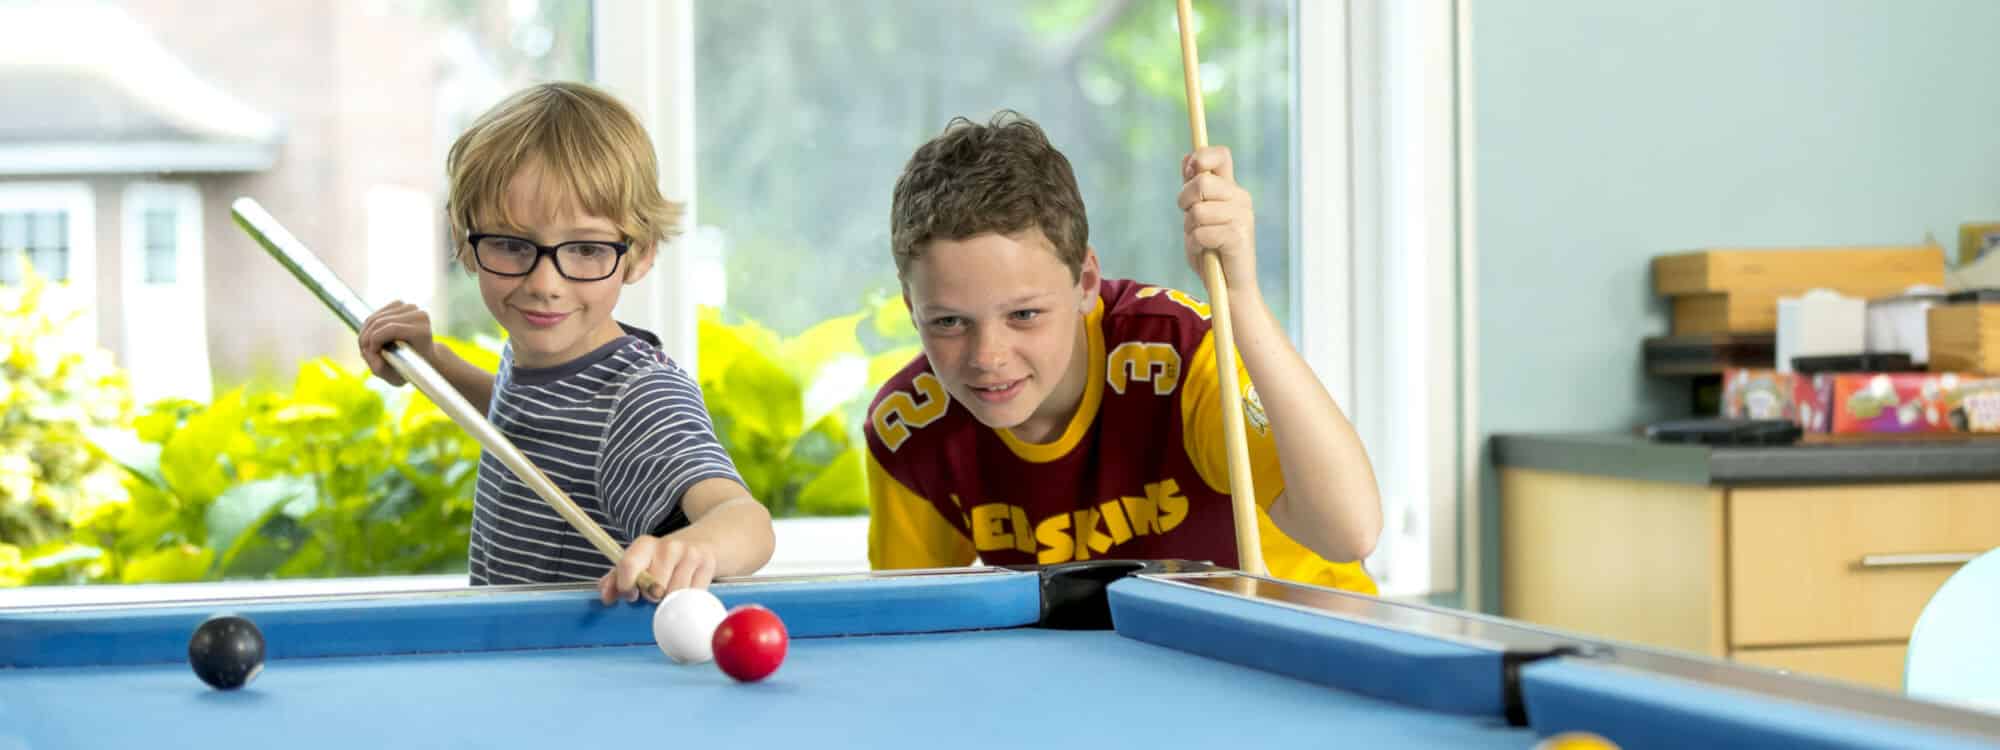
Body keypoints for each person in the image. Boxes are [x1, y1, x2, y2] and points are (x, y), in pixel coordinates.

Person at [863, 111, 1382, 592]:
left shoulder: (1183, 357)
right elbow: (912, 621)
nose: (988, 356)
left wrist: (1241, 295)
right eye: (949, 322)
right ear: (912, 307)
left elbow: (1349, 534)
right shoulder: (909, 429)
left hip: (1303, 643)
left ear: (1086, 281)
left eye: (1024, 315)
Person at [356, 82, 773, 604]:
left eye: (585, 249)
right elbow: (526, 422)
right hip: (516, 665)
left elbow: (747, 522)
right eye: (510, 245)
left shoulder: (640, 399)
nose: (544, 283)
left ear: (640, 254)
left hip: (587, 676)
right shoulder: (549, 360)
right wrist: (430, 361)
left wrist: (694, 548)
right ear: (466, 244)